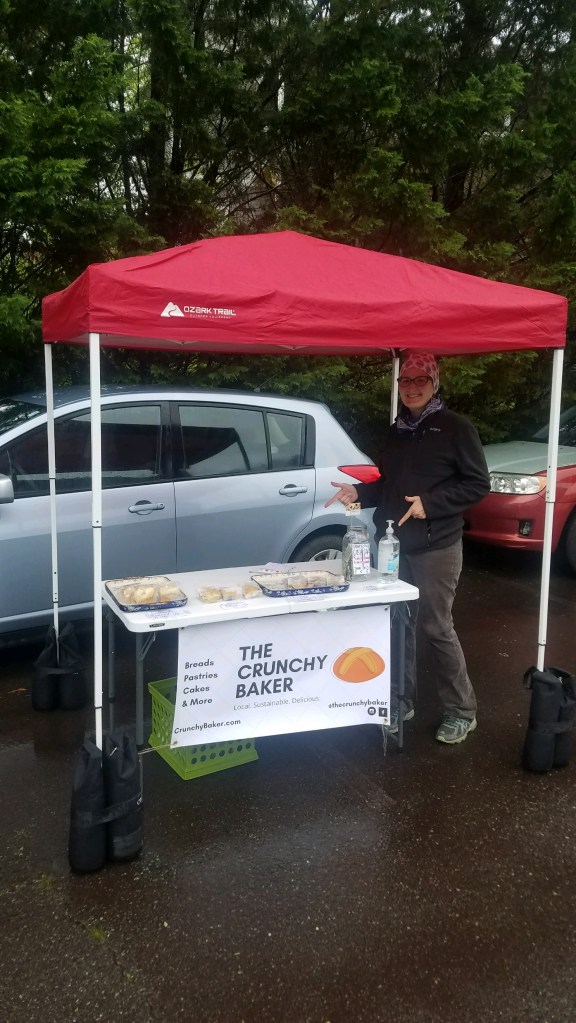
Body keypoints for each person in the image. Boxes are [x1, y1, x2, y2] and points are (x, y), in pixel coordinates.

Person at [326, 352, 490, 745]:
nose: (412, 388)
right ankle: (401, 700)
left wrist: (430, 505)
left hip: (437, 546)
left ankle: (462, 711)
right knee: (398, 622)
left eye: (421, 380)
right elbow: (390, 485)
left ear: (435, 384)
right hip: (393, 547)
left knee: (436, 626)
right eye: (406, 381)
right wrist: (360, 492)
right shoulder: (396, 430)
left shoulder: (456, 428)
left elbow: (477, 484)